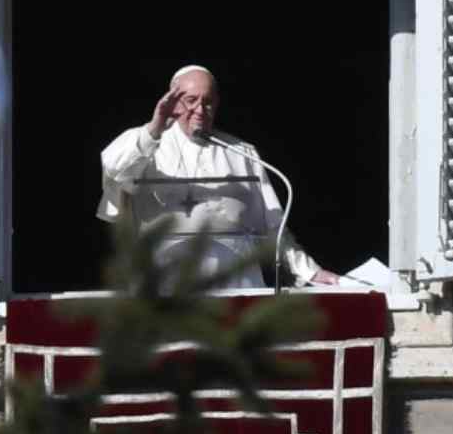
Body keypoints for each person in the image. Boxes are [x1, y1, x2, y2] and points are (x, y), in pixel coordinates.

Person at [97, 65, 339, 288]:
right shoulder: (146, 143)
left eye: (208, 102)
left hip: (237, 282)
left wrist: (311, 272)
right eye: (191, 100)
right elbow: (114, 171)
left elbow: (274, 226)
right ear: (173, 101)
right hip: (166, 285)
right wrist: (155, 127)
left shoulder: (242, 153)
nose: (200, 110)